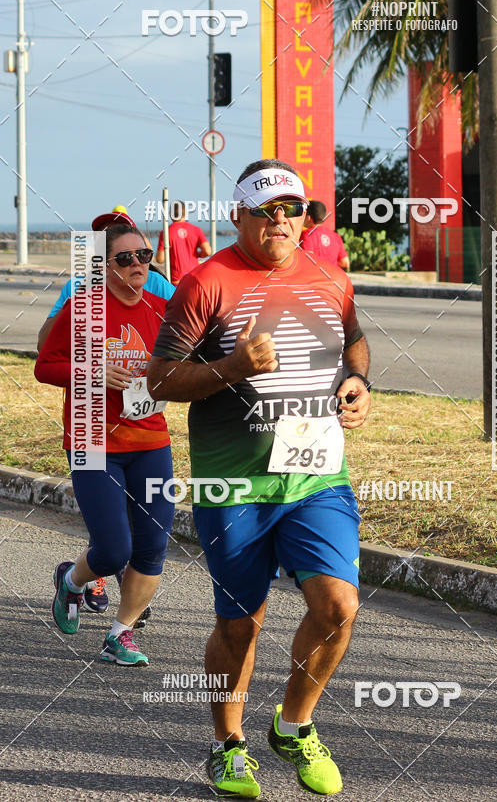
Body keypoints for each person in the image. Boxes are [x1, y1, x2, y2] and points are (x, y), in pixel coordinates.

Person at [147, 159, 370, 797]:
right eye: (266, 210)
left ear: (306, 217)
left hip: (316, 478)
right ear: (240, 215)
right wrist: (231, 367)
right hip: (234, 485)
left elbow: (353, 341)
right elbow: (160, 380)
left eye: (292, 209)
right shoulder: (205, 283)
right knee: (241, 623)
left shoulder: (331, 277)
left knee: (338, 605)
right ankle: (227, 745)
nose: (281, 221)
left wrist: (358, 382)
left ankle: (294, 725)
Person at [35, 222, 175, 666]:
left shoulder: (162, 309)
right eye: (125, 258)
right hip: (92, 437)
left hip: (150, 437)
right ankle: (73, 582)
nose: (137, 264)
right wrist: (91, 373)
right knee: (114, 549)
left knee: (152, 543)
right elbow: (45, 365)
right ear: (103, 265)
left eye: (143, 256)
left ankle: (121, 634)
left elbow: (189, 360)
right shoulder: (83, 307)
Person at [37, 210, 175, 352]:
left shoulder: (154, 282)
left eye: (141, 254)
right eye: (103, 237)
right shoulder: (77, 285)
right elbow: (44, 345)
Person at [156, 199, 212, 284]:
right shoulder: (196, 230)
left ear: (171, 215)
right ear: (185, 213)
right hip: (194, 279)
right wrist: (196, 254)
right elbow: (208, 251)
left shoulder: (165, 232)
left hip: (176, 281)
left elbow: (160, 259)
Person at [300, 199, 350, 271]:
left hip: (315, 280)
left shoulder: (306, 235)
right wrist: (330, 265)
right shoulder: (336, 236)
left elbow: (309, 262)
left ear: (308, 217)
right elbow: (345, 263)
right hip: (333, 280)